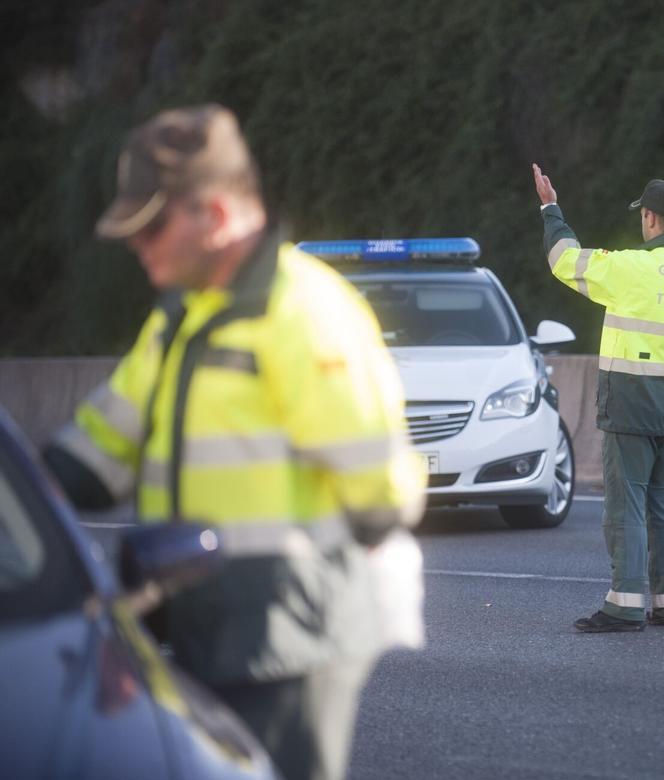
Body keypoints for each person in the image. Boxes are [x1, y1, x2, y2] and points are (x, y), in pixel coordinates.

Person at [43, 104, 427, 780]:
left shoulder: (306, 313)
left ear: (215, 216)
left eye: (151, 226)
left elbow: (383, 496)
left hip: (288, 640)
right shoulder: (182, 319)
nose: (139, 246)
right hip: (196, 630)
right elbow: (93, 456)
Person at [531, 165, 664, 632]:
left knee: (627, 506)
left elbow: (564, 260)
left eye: (644, 216)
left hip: (632, 405)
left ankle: (625, 604)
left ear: (652, 220)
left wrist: (550, 208)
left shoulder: (630, 267)